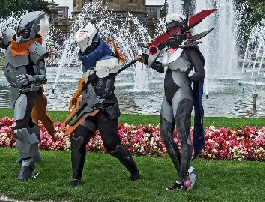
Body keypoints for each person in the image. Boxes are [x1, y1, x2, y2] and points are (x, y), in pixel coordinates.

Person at [62, 22, 139, 187]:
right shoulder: (88, 60)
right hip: (88, 108)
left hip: (105, 110)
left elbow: (105, 91)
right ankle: (76, 178)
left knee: (112, 145)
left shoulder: (109, 60)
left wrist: (96, 75)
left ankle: (134, 170)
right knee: (77, 139)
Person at [139, 13, 208, 190]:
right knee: (165, 136)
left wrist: (188, 79)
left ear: (183, 29)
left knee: (183, 136)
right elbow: (162, 69)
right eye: (169, 30)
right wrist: (146, 60)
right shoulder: (169, 50)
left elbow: (200, 72)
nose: (172, 33)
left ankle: (180, 181)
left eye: (175, 29)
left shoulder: (189, 49)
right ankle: (185, 174)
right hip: (168, 96)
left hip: (182, 95)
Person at [0, 11, 53, 180]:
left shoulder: (36, 49)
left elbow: (43, 76)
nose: (21, 33)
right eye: (20, 29)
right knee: (26, 122)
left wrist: (30, 78)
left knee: (20, 126)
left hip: (28, 90)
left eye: (25, 31)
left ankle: (27, 165)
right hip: (14, 89)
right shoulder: (12, 42)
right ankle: (33, 154)